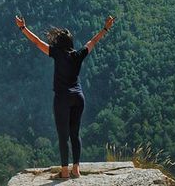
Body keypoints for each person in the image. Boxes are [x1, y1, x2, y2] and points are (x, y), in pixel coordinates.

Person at [15, 14, 115, 179]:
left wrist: (23, 28)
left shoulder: (56, 53)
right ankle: (76, 169)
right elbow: (93, 41)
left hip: (62, 98)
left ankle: (64, 172)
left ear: (59, 44)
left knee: (63, 136)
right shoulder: (78, 54)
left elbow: (37, 41)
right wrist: (105, 28)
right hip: (78, 97)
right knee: (75, 134)